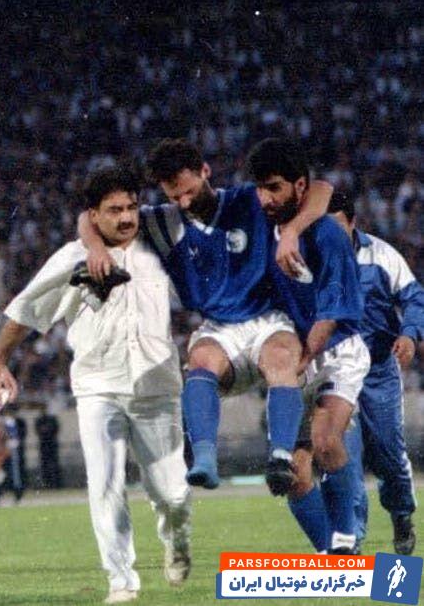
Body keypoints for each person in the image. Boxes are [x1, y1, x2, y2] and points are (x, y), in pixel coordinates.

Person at [0, 165, 191, 604]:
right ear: (93, 215)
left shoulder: (160, 243)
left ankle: (176, 539)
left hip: (157, 386)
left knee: (171, 492)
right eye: (114, 210)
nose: (126, 217)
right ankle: (121, 580)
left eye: (131, 206)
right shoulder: (72, 258)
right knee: (106, 485)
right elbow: (25, 311)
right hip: (98, 386)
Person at [77, 139, 333, 495]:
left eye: (189, 191)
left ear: (205, 172)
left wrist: (291, 231)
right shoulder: (164, 222)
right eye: (174, 196)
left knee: (280, 357)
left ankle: (279, 458)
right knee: (200, 360)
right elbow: (87, 218)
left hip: (267, 317)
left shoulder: (248, 201)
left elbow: (322, 190)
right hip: (218, 327)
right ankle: (204, 460)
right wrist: (95, 248)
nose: (184, 202)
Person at [245, 138, 370, 554]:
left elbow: (330, 315)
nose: (265, 198)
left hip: (336, 350)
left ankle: (347, 540)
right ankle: (333, 559)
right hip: (295, 351)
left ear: (299, 186)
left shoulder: (328, 236)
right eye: (260, 188)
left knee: (325, 440)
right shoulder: (262, 225)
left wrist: (296, 366)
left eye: (274, 188)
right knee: (296, 476)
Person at [328, 195, 423, 555]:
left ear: (353, 224)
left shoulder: (382, 256)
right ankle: (350, 541)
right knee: (344, 459)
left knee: (388, 454)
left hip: (378, 371)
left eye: (336, 228)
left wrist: (409, 334)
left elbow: (414, 298)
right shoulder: (312, 259)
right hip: (336, 373)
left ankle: (401, 514)